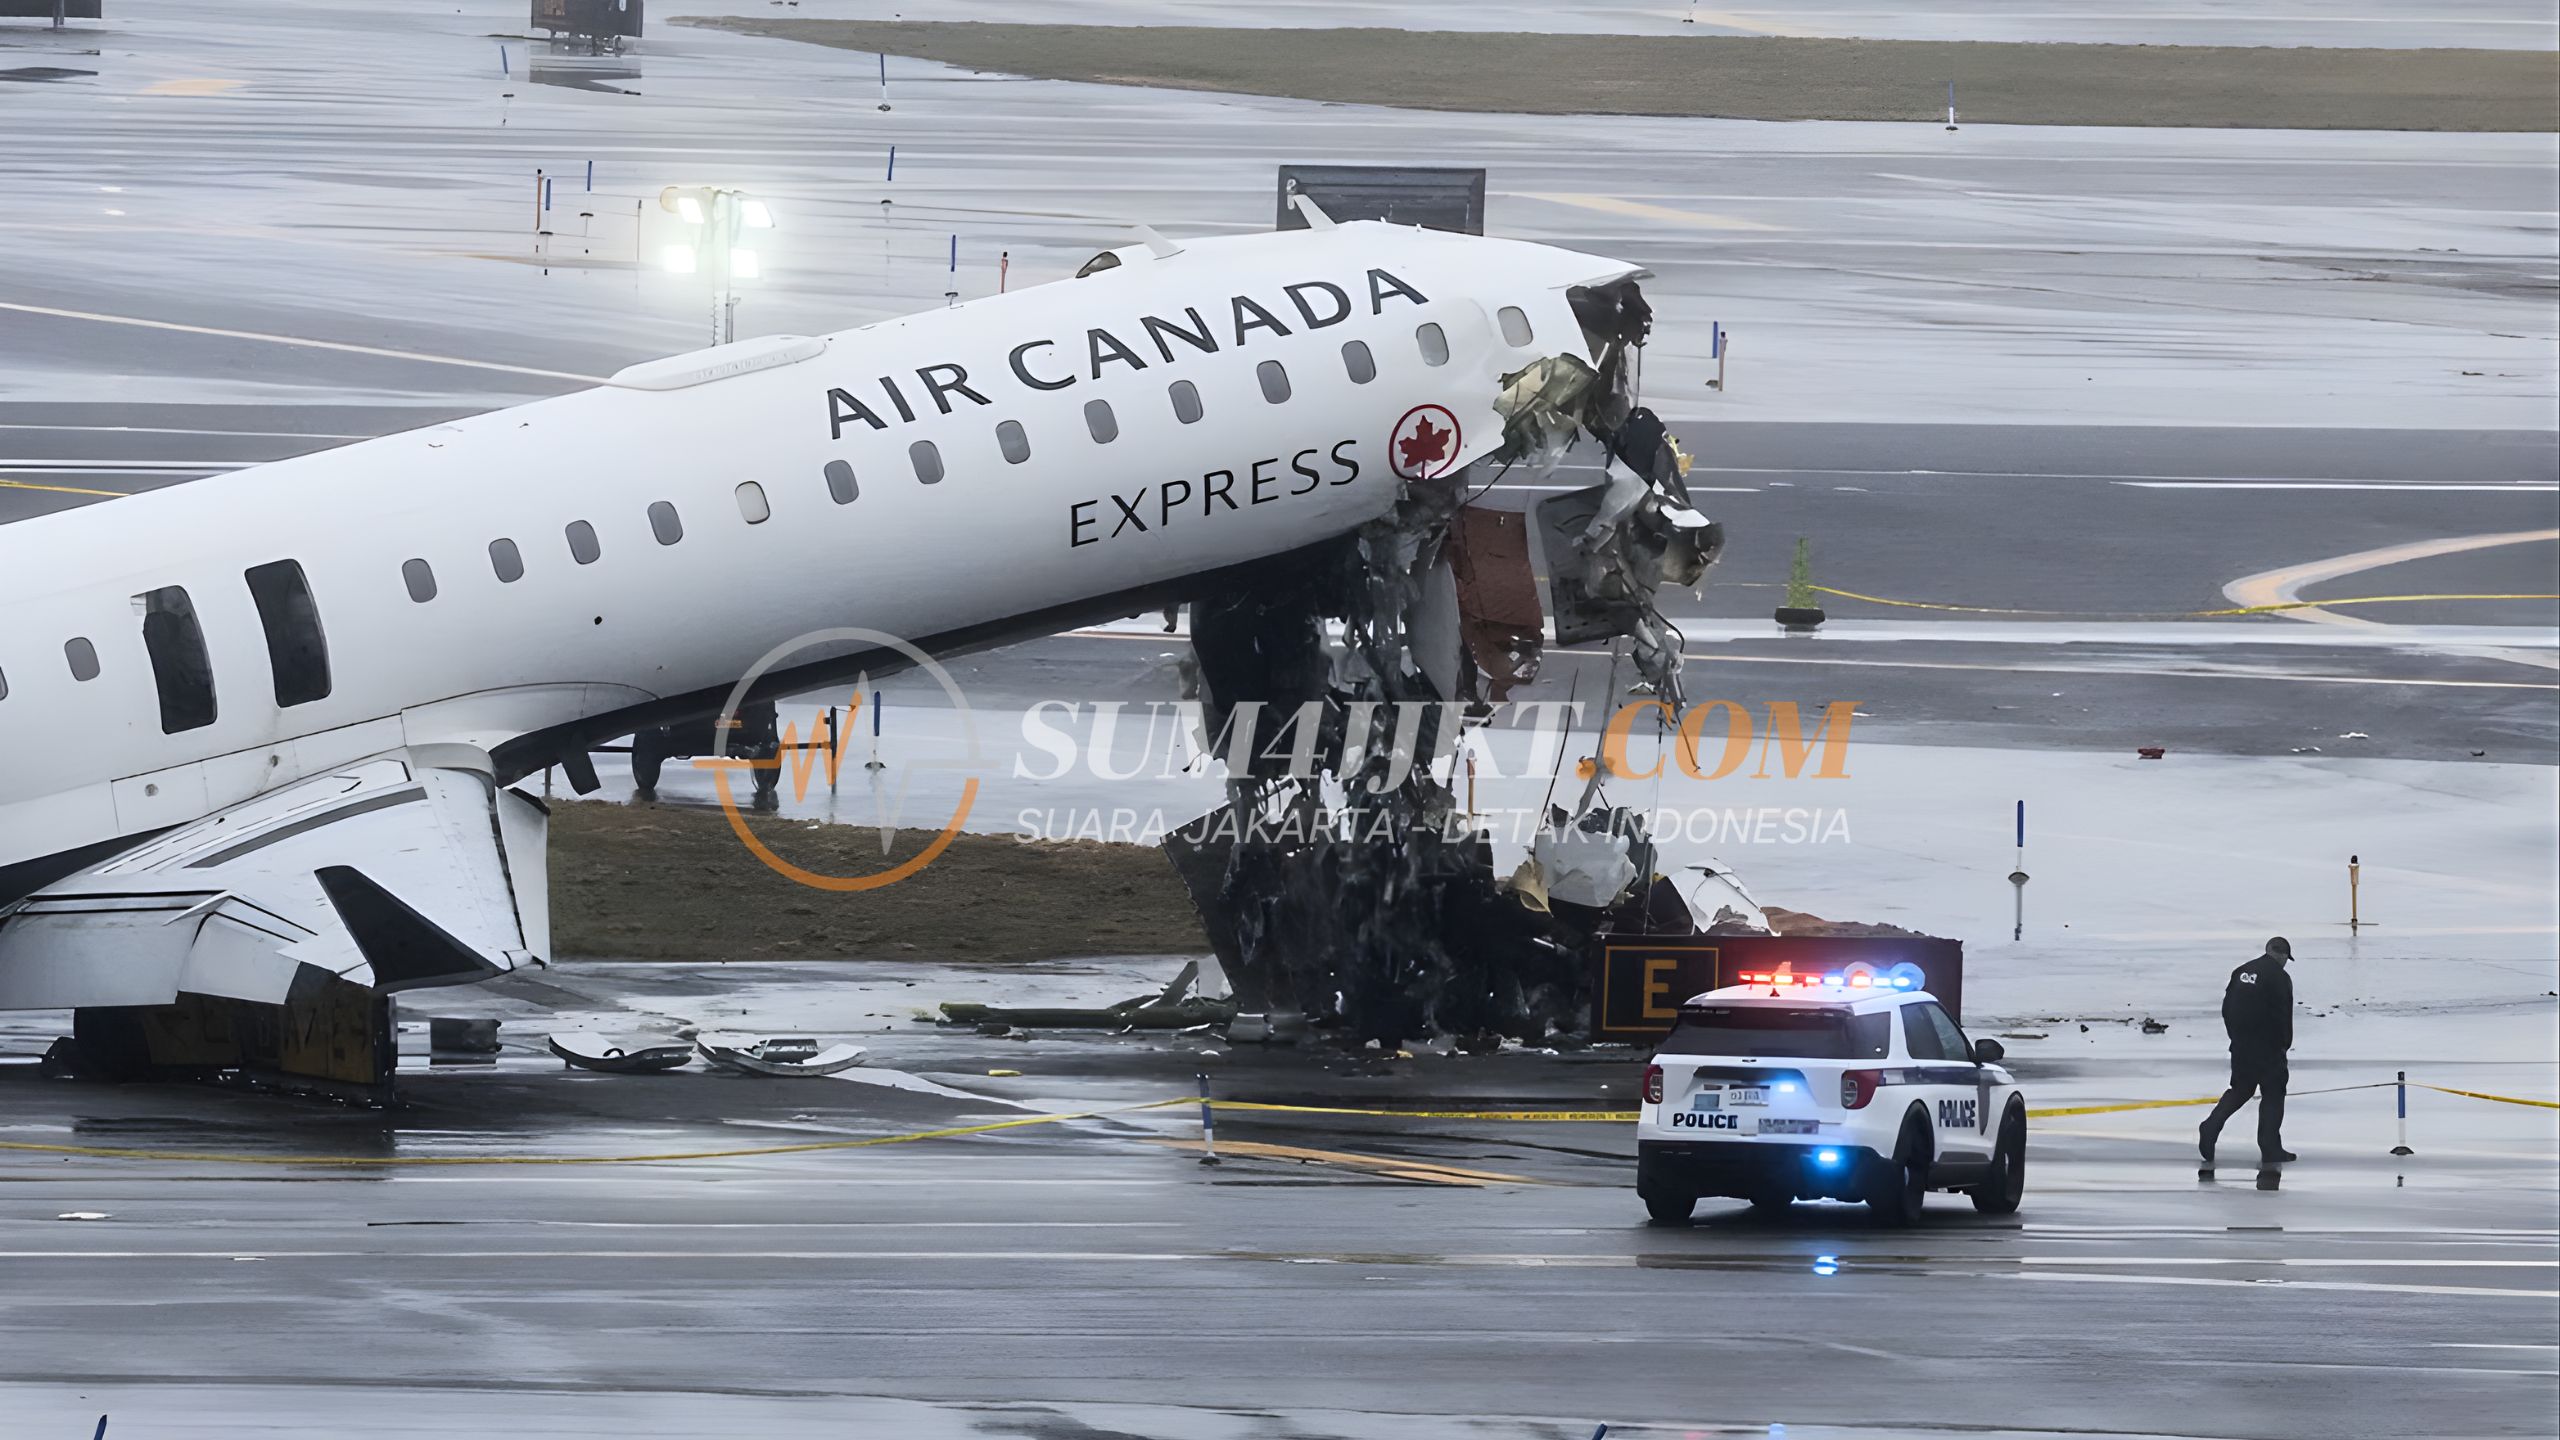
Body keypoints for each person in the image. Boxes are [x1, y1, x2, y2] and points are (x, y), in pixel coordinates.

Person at [2200, 937, 2297, 1164]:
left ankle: (2211, 1126)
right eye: (2286, 959)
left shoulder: (2241, 972)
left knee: (2241, 1090)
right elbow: (2284, 1015)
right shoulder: (2280, 978)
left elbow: (2227, 1008)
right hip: (2269, 1049)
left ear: (2267, 950)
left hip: (2242, 1046)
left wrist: (2235, 1038)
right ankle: (2270, 1147)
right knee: (2273, 1094)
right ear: (2282, 955)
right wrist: (2285, 1043)